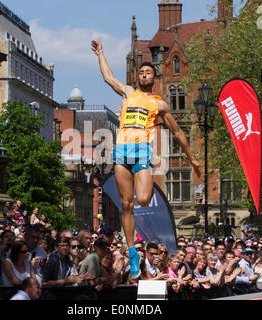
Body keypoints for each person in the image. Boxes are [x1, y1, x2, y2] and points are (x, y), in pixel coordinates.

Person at [91, 40, 201, 279]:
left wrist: (192, 158)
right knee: (127, 204)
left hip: (141, 152)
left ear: (154, 77)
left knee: (142, 198)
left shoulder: (158, 104)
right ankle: (132, 252)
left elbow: (178, 132)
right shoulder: (129, 92)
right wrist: (100, 53)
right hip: (122, 151)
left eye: (148, 72)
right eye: (140, 72)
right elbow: (109, 78)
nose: (143, 75)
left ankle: (135, 240)